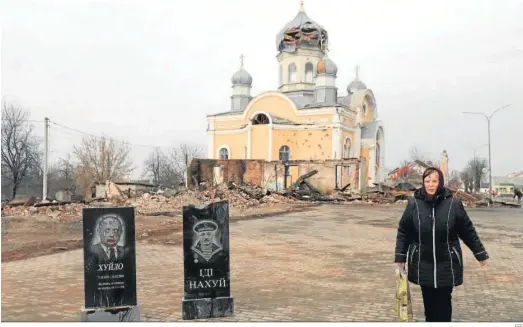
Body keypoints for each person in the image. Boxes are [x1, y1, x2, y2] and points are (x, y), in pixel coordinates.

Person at [394, 167, 489, 322]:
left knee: (444, 304)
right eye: (427, 181)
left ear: (440, 182)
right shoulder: (414, 204)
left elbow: (467, 231)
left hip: (447, 262)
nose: (430, 185)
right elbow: (404, 231)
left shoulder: (453, 204)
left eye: (434, 181)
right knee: (429, 305)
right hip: (422, 262)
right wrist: (400, 256)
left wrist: (480, 253)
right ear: (423, 183)